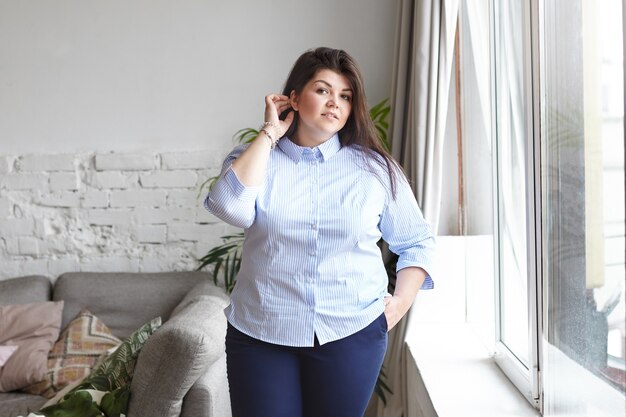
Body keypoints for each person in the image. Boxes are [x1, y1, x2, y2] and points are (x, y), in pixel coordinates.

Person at [205, 47, 435, 417]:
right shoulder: (255, 158)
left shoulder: (374, 169)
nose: (335, 103)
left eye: (345, 96)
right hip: (262, 334)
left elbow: (417, 242)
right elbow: (228, 207)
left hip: (351, 333)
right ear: (293, 98)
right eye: (323, 90)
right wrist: (269, 133)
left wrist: (400, 303)